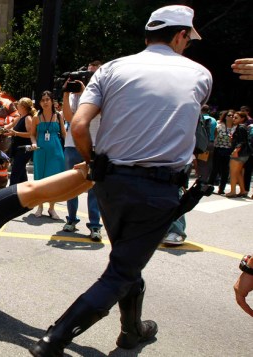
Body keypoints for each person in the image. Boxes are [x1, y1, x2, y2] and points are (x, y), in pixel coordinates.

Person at [29, 5, 212, 356]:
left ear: (147, 35)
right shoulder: (200, 74)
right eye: (188, 39)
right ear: (179, 35)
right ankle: (55, 338)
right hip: (158, 188)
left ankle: (131, 331)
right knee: (122, 269)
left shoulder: (112, 69)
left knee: (127, 259)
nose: (187, 45)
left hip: (110, 181)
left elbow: (79, 127)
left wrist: (93, 162)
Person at [61, 61, 103, 240]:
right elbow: (70, 117)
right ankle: (71, 219)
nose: (87, 77)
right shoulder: (73, 95)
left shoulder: (102, 93)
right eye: (86, 73)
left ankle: (94, 226)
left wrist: (85, 92)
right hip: (72, 144)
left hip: (94, 144)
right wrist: (65, 93)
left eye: (91, 74)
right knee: (71, 184)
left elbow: (91, 113)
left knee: (94, 186)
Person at [30, 91, 66, 220]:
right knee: (40, 178)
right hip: (40, 150)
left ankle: (51, 208)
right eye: (43, 100)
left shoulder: (59, 116)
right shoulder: (36, 117)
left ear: (52, 101)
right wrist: (33, 143)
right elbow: (32, 134)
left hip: (56, 151)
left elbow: (63, 134)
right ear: (40, 103)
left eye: (47, 99)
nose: (45, 102)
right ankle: (40, 206)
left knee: (54, 179)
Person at [4, 98, 36, 186]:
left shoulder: (28, 118)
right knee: (21, 175)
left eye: (18, 105)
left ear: (23, 107)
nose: (17, 106)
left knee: (15, 174)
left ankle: (10, 195)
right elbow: (10, 127)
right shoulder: (20, 117)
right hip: (17, 149)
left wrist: (15, 133)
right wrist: (3, 131)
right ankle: (26, 194)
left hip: (24, 150)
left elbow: (31, 134)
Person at [225, 111, 250, 198]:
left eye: (236, 118)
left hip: (239, 153)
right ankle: (242, 191)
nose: (233, 119)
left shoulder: (241, 128)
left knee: (233, 172)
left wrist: (235, 150)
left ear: (242, 119)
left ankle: (232, 191)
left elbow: (242, 141)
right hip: (243, 153)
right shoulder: (242, 127)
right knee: (238, 172)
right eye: (233, 117)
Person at [208, 110, 235, 192]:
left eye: (232, 116)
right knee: (215, 169)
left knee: (225, 170)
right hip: (218, 148)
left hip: (229, 150)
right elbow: (215, 136)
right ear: (225, 116)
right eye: (229, 115)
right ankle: (209, 187)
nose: (231, 117)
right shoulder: (219, 125)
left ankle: (221, 189)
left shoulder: (236, 127)